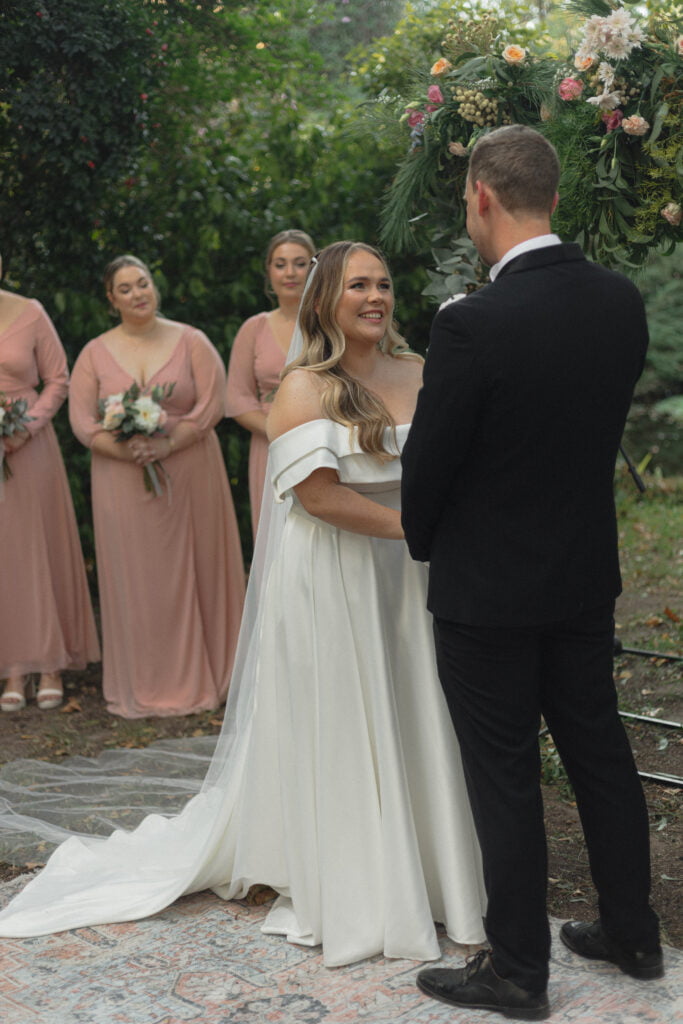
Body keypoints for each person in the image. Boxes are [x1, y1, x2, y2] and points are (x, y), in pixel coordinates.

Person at [0, 241, 486, 968]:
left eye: (382, 283)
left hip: (409, 576)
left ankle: (432, 867)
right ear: (325, 299)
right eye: (357, 285)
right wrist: (425, 534)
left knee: (416, 708)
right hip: (340, 573)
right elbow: (316, 496)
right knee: (351, 719)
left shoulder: (420, 371)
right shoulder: (303, 386)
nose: (374, 296)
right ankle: (360, 877)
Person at [401, 125, 662, 1021]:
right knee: (598, 750)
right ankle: (632, 934)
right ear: (549, 194)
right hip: (583, 574)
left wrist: (427, 541)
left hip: (487, 591)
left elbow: (429, 467)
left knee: (505, 773)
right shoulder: (618, 301)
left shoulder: (470, 322)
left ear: (480, 195)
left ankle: (517, 969)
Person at [68, 254, 245, 718]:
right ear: (111, 300)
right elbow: (83, 423)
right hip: (121, 481)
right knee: (138, 580)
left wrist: (167, 446)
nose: (137, 294)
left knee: (199, 566)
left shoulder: (192, 341)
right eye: (125, 289)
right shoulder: (93, 352)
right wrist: (125, 450)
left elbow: (211, 405)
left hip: (189, 472)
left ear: (154, 286)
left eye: (142, 283)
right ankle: (147, 680)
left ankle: (216, 673)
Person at [0, 256, 100, 711]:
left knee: (36, 545)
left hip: (31, 443)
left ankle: (50, 663)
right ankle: (13, 668)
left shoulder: (32, 312)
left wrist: (24, 427)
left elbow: (57, 380)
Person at [226, 229, 315, 535]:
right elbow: (237, 400)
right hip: (270, 448)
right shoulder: (253, 329)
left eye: (300, 263)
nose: (290, 273)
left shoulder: (331, 323)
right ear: (269, 272)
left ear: (314, 268)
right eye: (280, 264)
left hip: (324, 443)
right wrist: (277, 431)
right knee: (276, 535)